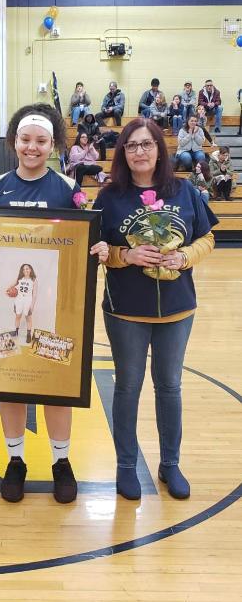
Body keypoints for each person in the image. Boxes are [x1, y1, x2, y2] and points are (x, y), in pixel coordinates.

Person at [0, 103, 83, 505]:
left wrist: (93, 247)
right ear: (14, 142)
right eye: (25, 140)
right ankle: (16, 461)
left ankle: (61, 462)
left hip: (54, 304)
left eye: (41, 141)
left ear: (53, 144)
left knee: (56, 386)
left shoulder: (66, 187)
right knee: (11, 384)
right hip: (7, 301)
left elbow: (80, 240)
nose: (32, 147)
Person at [90, 118, 217, 501]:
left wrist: (186, 256)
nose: (140, 152)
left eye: (147, 144)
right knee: (128, 388)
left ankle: (170, 464)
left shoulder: (184, 191)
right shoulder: (110, 197)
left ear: (160, 149)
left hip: (177, 310)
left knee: (170, 387)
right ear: (123, 153)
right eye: (131, 146)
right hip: (126, 310)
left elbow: (208, 237)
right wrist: (124, 254)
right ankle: (126, 466)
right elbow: (93, 251)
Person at [7, 264, 38, 343]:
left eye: (27, 269)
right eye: (24, 269)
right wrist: (8, 290)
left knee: (28, 318)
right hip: (19, 299)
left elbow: (34, 295)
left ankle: (28, 334)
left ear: (30, 269)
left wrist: (32, 305)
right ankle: (16, 332)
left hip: (28, 300)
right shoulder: (20, 279)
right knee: (18, 316)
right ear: (22, 271)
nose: (25, 271)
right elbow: (11, 285)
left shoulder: (34, 280)